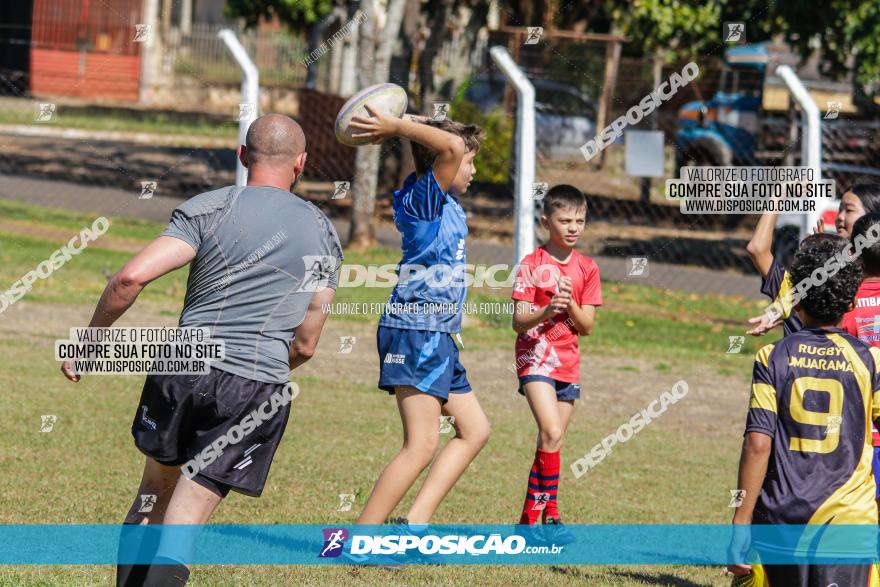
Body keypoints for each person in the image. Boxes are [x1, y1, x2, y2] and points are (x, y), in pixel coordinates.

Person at [59, 114, 343, 586]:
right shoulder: (323, 234)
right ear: (301, 163)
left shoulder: (210, 208)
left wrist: (91, 342)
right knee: (184, 525)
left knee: (153, 495)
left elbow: (129, 278)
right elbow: (308, 343)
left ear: (242, 156)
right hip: (256, 385)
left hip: (184, 366)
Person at [347, 107, 490, 532]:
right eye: (470, 160)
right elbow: (449, 144)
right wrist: (396, 128)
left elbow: (447, 140)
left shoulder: (446, 200)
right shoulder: (423, 200)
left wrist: (404, 115)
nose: (474, 168)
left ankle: (413, 527)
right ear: (443, 162)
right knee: (422, 444)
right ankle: (364, 539)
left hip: (439, 333)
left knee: (475, 429)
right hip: (416, 331)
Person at [727, 237, 880, 586]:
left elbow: (757, 445)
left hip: (783, 518)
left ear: (795, 295)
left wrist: (740, 524)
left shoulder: (773, 356)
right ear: (853, 299)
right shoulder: (869, 360)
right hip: (848, 519)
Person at [510, 185, 601, 542]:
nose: (573, 227)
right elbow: (519, 320)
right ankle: (548, 518)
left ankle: (526, 520)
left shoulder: (587, 268)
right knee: (550, 432)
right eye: (565, 220)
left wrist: (570, 305)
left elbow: (588, 326)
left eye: (580, 220)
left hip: (568, 363)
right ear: (547, 222)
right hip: (534, 357)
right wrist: (547, 310)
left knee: (553, 441)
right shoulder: (533, 264)